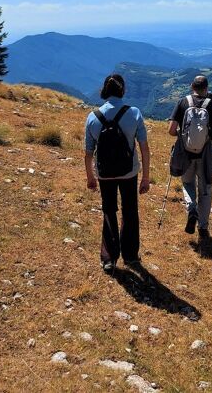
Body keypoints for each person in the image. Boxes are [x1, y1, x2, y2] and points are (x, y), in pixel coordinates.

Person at [85, 73, 151, 273]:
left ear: (104, 90)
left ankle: (109, 258)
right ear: (123, 91)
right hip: (129, 173)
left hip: (105, 174)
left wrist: (90, 177)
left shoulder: (93, 117)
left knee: (109, 211)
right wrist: (146, 177)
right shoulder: (134, 113)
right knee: (130, 211)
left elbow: (88, 153)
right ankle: (130, 256)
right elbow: (144, 148)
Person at [168, 75, 212, 241]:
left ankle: (191, 208)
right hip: (206, 154)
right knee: (206, 189)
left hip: (185, 154)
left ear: (191, 86)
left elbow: (171, 130)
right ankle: (203, 227)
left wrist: (183, 136)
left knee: (187, 184)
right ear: (206, 88)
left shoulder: (182, 102)